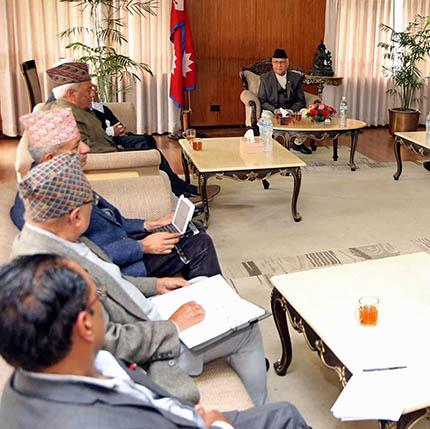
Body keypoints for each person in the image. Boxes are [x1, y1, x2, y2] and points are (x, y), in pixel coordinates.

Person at [12, 152, 269, 406]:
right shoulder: (50, 274)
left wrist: (155, 285)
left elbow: (108, 280)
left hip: (146, 312)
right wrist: (174, 326)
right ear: (76, 216)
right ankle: (258, 411)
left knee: (206, 285)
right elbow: (107, 343)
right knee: (247, 330)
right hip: (149, 348)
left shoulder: (54, 238)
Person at [0, 254, 309, 429]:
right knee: (285, 416)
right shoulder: (99, 420)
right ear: (85, 325)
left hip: (175, 412)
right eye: (98, 300)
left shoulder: (27, 382)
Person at [10, 109, 222, 280]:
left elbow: (107, 217)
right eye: (76, 146)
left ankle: (196, 293)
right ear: (50, 157)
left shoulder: (63, 177)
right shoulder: (39, 204)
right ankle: (216, 313)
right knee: (199, 244)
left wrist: (148, 225)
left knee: (192, 228)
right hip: (119, 266)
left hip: (123, 241)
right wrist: (142, 247)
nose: (85, 148)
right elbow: (77, 257)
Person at [42, 60, 219, 200]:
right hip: (109, 160)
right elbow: (80, 152)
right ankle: (182, 192)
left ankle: (182, 190)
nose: (92, 95)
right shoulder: (62, 116)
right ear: (71, 94)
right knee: (150, 151)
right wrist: (117, 149)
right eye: (88, 90)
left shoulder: (77, 109)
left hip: (111, 150)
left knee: (146, 143)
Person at [257, 49, 310, 154]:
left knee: (306, 115)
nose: (279, 65)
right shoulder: (265, 78)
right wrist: (275, 110)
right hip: (273, 110)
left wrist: (291, 110)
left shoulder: (295, 77)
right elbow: (262, 101)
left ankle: (298, 143)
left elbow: (301, 100)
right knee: (265, 118)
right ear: (272, 63)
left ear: (287, 63)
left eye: (282, 62)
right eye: (276, 62)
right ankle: (268, 144)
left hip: (291, 110)